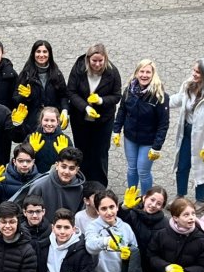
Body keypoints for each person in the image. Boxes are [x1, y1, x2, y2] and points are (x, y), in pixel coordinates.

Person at [169, 57, 204, 214]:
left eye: (198, 72)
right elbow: (179, 99)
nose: (193, 74)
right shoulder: (189, 85)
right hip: (187, 132)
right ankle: (180, 196)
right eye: (193, 70)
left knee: (201, 168)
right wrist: (162, 101)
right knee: (182, 165)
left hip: (203, 138)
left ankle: (201, 200)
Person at [66, 43, 122, 186]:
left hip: (103, 120)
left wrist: (101, 100)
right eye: (94, 61)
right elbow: (71, 92)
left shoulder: (112, 72)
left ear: (105, 59)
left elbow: (117, 96)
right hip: (80, 119)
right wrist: (85, 107)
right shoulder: (79, 69)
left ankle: (99, 185)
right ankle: (81, 182)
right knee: (82, 150)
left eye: (100, 61)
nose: (97, 64)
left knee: (100, 153)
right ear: (88, 59)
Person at [113, 59, 170, 192]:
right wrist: (116, 130)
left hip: (148, 141)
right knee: (132, 169)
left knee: (143, 172)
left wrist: (157, 147)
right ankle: (131, 196)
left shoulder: (159, 96)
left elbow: (163, 124)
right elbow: (122, 110)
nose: (144, 75)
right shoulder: (129, 90)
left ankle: (146, 199)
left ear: (153, 74)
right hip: (130, 138)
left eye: (148, 72)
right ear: (136, 73)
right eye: (141, 71)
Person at [14, 40, 70, 133]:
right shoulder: (25, 75)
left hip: (51, 124)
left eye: (44, 52)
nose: (41, 55)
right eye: (38, 51)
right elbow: (16, 99)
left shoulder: (57, 74)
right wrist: (25, 97)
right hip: (32, 125)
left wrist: (65, 110)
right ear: (33, 54)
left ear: (49, 54)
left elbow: (64, 95)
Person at [25, 147, 86, 223]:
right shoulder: (39, 185)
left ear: (77, 170)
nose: (66, 172)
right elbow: (28, 214)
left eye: (71, 168)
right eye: (63, 167)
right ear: (57, 165)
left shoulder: (80, 189)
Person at [0, 143, 40, 210]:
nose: (25, 164)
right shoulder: (2, 179)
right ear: (14, 161)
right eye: (21, 161)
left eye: (28, 161)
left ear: (33, 162)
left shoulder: (40, 179)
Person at [23, 107, 72, 173]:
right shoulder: (31, 138)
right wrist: (32, 151)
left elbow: (72, 162)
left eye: (52, 120)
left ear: (57, 122)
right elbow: (22, 161)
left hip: (58, 176)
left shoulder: (65, 139)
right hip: (35, 176)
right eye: (46, 120)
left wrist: (63, 154)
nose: (49, 124)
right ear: (41, 121)